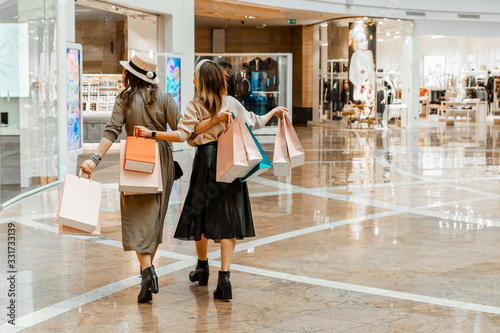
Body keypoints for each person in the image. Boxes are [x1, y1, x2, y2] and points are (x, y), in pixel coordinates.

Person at [135, 59, 288, 301]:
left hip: (206, 161)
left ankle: (202, 267)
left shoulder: (195, 106)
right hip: (232, 160)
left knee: (201, 217)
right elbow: (255, 122)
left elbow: (183, 135)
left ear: (201, 81)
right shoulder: (232, 103)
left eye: (195, 76)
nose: (193, 80)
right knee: (229, 217)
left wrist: (152, 134)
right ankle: (224, 278)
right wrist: (274, 112)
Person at [79, 55, 183, 303]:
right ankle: (147, 271)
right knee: (156, 218)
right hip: (162, 160)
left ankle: (147, 272)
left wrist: (95, 158)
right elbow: (181, 131)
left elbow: (112, 131)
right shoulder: (166, 98)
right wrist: (157, 135)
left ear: (130, 76)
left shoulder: (124, 98)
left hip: (135, 159)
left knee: (137, 218)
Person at [349, 23, 376, 119]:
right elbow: (371, 73)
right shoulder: (368, 53)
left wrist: (359, 86)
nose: (366, 43)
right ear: (357, 43)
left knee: (361, 113)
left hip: (358, 90)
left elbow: (351, 77)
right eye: (363, 41)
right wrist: (374, 88)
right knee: (368, 116)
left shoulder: (354, 55)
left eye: (366, 40)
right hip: (367, 89)